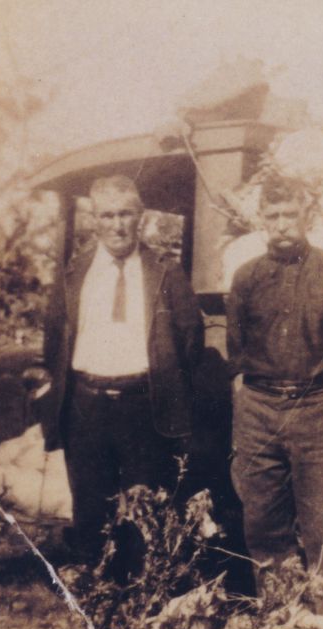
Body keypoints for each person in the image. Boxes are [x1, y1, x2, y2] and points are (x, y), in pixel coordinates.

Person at [225, 173, 323, 615]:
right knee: (263, 530)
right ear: (261, 220)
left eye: (291, 214)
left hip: (318, 409)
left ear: (306, 215)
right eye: (273, 216)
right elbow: (237, 363)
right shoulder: (246, 278)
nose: (283, 224)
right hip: (259, 411)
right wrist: (243, 426)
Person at [42, 175, 203, 562]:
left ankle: (141, 604)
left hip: (143, 406)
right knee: (90, 508)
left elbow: (191, 341)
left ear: (141, 218)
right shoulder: (74, 272)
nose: (117, 224)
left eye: (126, 214)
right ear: (94, 220)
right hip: (85, 406)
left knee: (144, 508)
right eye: (108, 215)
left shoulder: (165, 271)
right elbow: (53, 339)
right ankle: (96, 601)